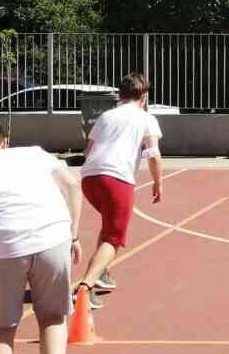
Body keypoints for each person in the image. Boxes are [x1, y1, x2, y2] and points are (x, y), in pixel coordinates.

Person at [0, 114, 83, 354]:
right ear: (4, 140)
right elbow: (72, 186)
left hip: (3, 242)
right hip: (52, 235)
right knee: (53, 318)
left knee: (1, 328)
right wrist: (74, 236)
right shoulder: (35, 153)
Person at [74, 73, 163, 309]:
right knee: (114, 238)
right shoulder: (146, 119)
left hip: (89, 177)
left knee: (108, 225)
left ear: (120, 95)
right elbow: (152, 153)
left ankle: (101, 273)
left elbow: (88, 148)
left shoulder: (105, 116)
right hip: (117, 179)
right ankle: (85, 288)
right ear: (143, 96)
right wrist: (157, 182)